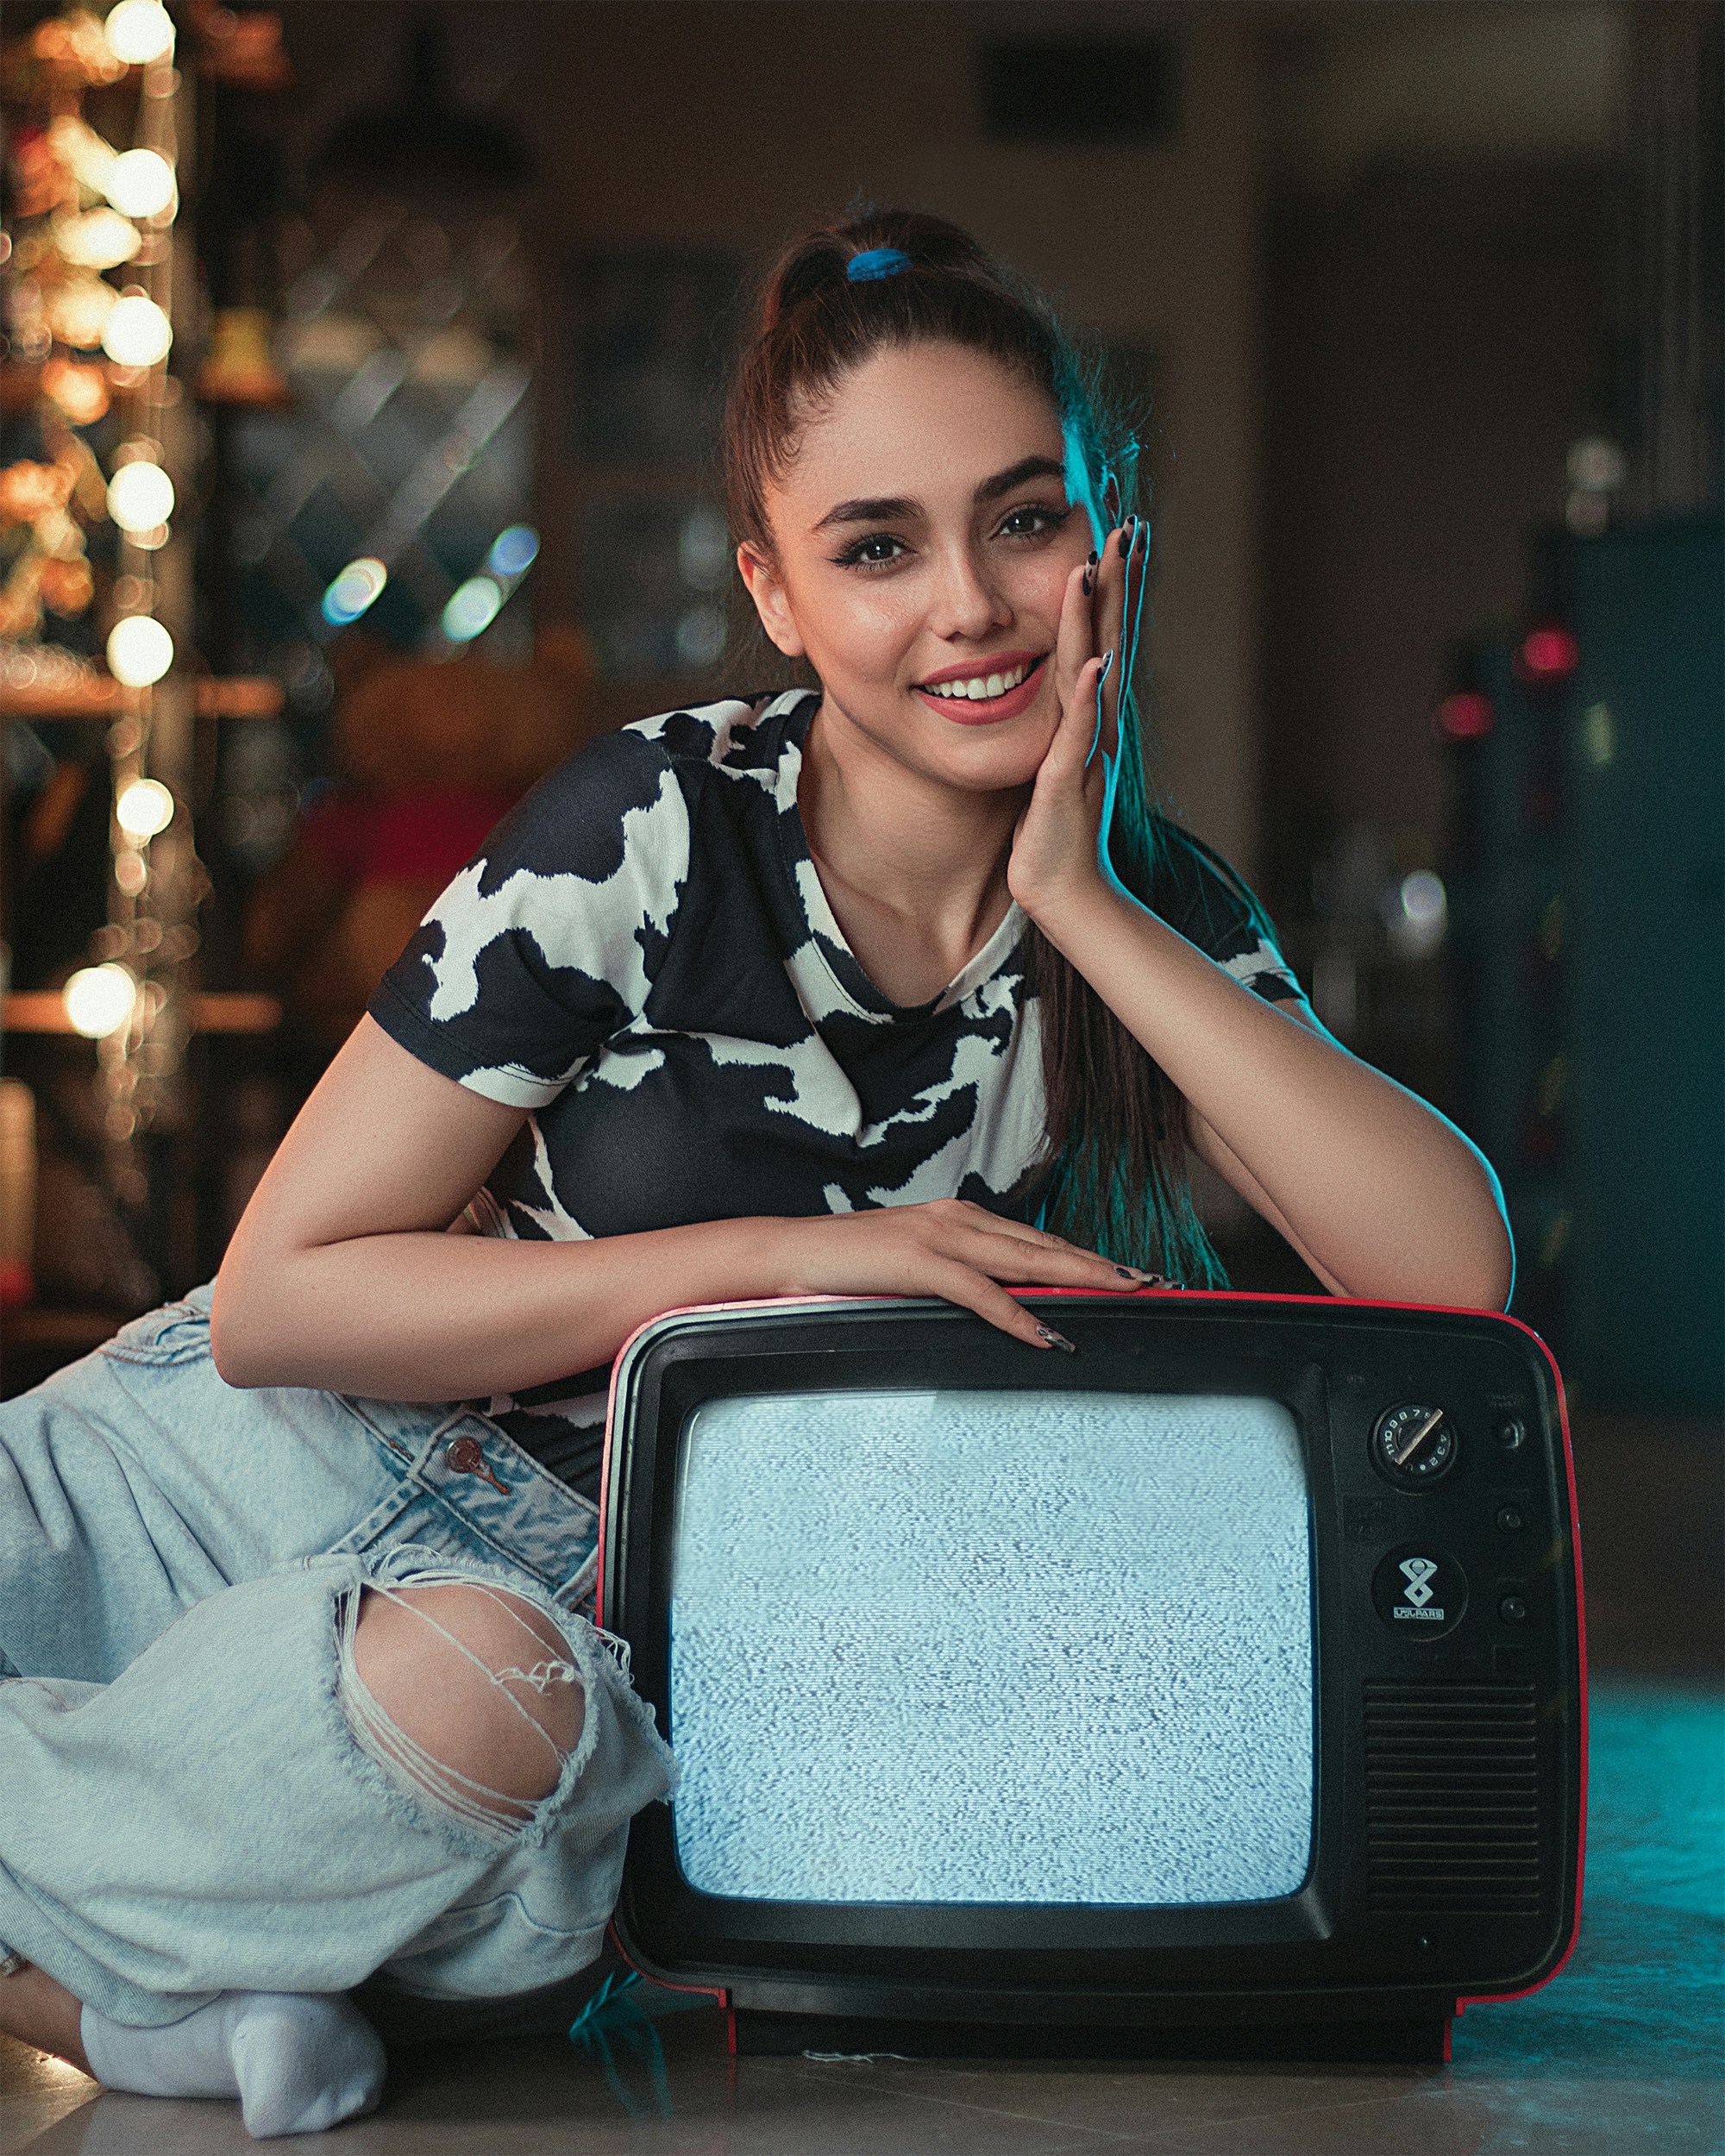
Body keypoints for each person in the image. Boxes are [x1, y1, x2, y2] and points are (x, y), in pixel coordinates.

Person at [0, 210, 1512, 2138]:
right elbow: (287, 1300)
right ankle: (131, 1977)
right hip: (254, 1471)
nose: (965, 602)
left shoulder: (1155, 925)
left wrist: (1076, 895)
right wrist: (788, 1254)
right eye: (875, 547)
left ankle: (125, 1960)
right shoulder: (646, 822)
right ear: (777, 594)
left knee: (520, 1791)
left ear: (1109, 546)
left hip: (554, 1629)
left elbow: (1448, 1272)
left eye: (1024, 521)